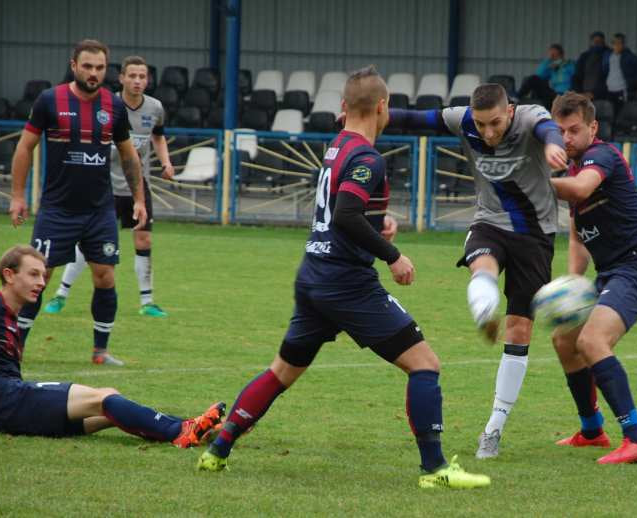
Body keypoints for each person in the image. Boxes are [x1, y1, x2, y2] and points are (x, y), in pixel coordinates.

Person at [196, 66, 490, 490]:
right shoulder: (368, 157)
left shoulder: (338, 146)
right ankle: (435, 469)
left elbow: (347, 210)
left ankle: (217, 451)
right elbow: (347, 213)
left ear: (343, 107)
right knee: (425, 365)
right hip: (346, 284)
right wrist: (394, 256)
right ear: (383, 107)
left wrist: (378, 221)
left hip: (314, 276)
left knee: (282, 371)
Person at [386, 83, 567, 459]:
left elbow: (548, 129)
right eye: (481, 124)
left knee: (519, 330)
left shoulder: (532, 117)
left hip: (536, 235)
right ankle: (484, 308)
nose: (487, 132)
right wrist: (371, 116)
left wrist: (553, 145)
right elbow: (419, 118)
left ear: (511, 111)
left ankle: (493, 429)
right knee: (481, 265)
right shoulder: (463, 119)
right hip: (489, 221)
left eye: (495, 123)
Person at [0, 244, 225, 443]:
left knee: (110, 405)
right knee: (103, 399)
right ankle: (181, 430)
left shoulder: (10, 314)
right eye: (33, 274)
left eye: (43, 275)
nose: (42, 282)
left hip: (3, 405)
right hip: (1, 399)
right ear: (9, 275)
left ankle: (195, 426)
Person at [9, 39, 148, 366]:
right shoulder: (49, 100)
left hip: (99, 210)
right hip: (57, 210)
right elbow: (25, 147)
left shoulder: (113, 106)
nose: (93, 73)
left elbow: (129, 155)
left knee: (105, 277)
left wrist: (139, 199)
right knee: (35, 278)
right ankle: (15, 347)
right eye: (87, 66)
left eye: (100, 68)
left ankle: (100, 351)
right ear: (74, 65)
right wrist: (17, 195)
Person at [549, 92, 637, 464]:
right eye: (559, 131)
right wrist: (573, 285)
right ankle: (592, 430)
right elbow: (576, 234)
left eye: (574, 130)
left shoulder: (603, 156)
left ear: (592, 128)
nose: (566, 138)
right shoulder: (570, 170)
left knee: (593, 339)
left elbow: (582, 189)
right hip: (610, 272)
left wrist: (532, 180)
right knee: (565, 338)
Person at [44, 55, 174, 318]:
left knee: (144, 238)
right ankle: (61, 294)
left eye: (142, 76)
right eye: (133, 76)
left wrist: (166, 162)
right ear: (122, 78)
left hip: (137, 186)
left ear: (147, 80)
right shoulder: (108, 105)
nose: (138, 81)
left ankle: (147, 302)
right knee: (88, 243)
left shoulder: (155, 108)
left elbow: (158, 137)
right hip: (103, 186)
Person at [517, 44, 575, 108]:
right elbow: (538, 75)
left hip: (565, 94)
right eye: (552, 55)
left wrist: (563, 66)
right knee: (533, 79)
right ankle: (517, 97)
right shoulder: (551, 66)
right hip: (553, 93)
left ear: (561, 55)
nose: (554, 58)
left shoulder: (570, 65)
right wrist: (548, 62)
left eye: (555, 55)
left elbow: (576, 78)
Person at [603, 33, 637, 111]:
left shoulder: (629, 56)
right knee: (609, 110)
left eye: (620, 43)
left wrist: (634, 80)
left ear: (623, 44)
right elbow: (605, 69)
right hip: (609, 89)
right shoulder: (607, 55)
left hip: (621, 89)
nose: (617, 45)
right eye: (615, 43)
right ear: (612, 44)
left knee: (621, 110)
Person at [572, 31, 610, 100]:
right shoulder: (584, 56)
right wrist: (579, 92)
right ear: (591, 42)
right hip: (584, 92)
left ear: (603, 42)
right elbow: (577, 75)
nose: (597, 43)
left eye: (599, 41)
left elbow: (607, 76)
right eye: (595, 41)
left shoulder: (609, 55)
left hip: (601, 94)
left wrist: (594, 93)